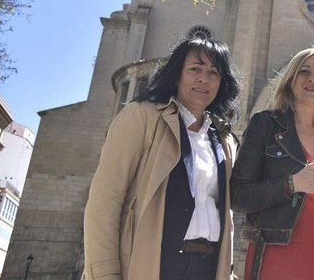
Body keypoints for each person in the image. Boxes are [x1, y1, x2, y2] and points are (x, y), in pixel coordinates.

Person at [83, 36, 241, 279]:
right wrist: (103, 272)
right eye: (195, 69)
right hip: (153, 264)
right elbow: (105, 199)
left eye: (213, 73)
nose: (204, 78)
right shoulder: (141, 117)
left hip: (207, 268)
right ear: (177, 74)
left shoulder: (224, 139)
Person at [230, 47, 314, 280]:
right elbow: (238, 196)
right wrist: (292, 184)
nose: (313, 79)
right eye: (304, 71)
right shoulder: (265, 124)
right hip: (279, 256)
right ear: (290, 80)